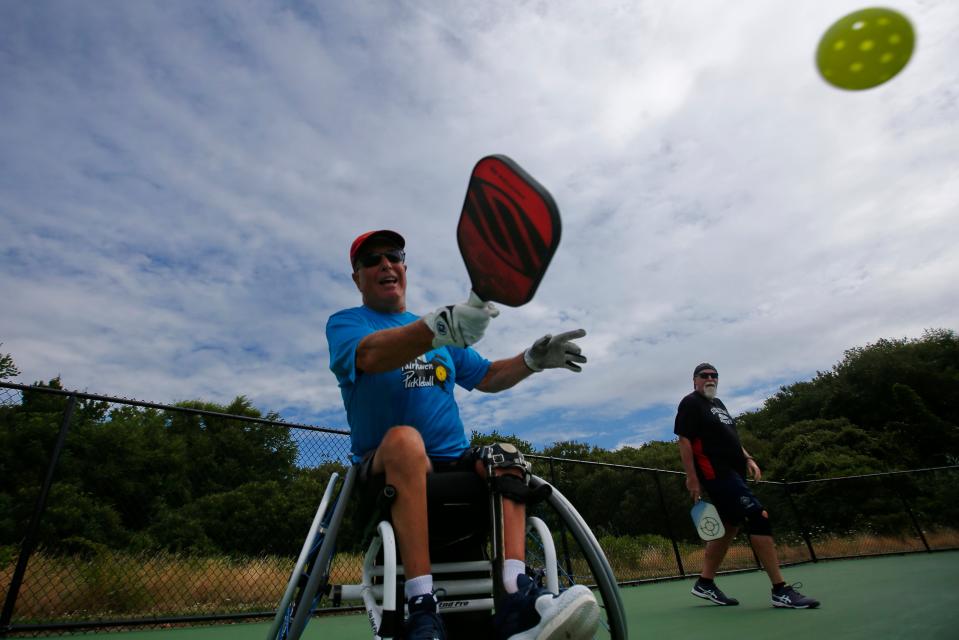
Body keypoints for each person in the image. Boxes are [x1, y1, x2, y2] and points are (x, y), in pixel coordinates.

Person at [326, 229, 601, 640]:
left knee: (506, 454)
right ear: (357, 277)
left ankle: (516, 595)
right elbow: (370, 355)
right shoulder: (348, 324)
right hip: (386, 468)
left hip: (452, 465)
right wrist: (438, 327)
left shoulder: (440, 336)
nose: (386, 264)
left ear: (404, 268)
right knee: (405, 439)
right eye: (372, 260)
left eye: (394, 255)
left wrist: (531, 360)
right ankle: (422, 605)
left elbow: (487, 374)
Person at [674, 362, 820, 609]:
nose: (710, 379)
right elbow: (684, 441)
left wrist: (748, 458)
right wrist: (692, 478)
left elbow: (731, 438)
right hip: (716, 474)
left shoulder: (718, 405)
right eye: (704, 376)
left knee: (730, 525)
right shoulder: (690, 403)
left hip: (735, 472)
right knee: (758, 515)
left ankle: (705, 583)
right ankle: (780, 590)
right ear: (695, 380)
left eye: (714, 376)